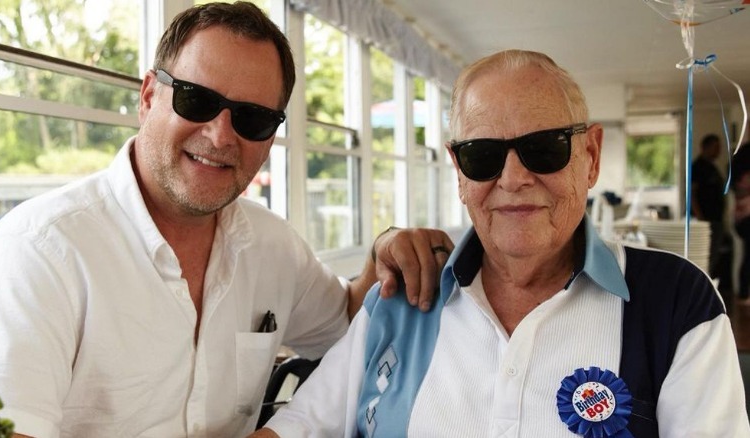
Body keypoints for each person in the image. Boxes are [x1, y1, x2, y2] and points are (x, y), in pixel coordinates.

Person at [0, 3, 453, 437]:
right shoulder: (39, 252)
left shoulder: (270, 245)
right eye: (196, 100)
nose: (221, 136)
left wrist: (384, 250)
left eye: (253, 118)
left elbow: (347, 319)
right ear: (147, 97)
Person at [251, 50, 750, 437]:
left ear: (591, 156)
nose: (513, 178)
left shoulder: (676, 303)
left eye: (543, 149)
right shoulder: (402, 299)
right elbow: (298, 426)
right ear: (459, 173)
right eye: (483, 155)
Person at [691, 133, 727, 279]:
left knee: (713, 256)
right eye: (715, 147)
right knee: (705, 256)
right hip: (705, 221)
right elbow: (692, 194)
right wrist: (700, 217)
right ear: (705, 148)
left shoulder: (712, 167)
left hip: (715, 218)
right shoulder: (698, 167)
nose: (719, 151)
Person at [732, 132, 750, 302]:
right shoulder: (743, 154)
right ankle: (744, 293)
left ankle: (744, 293)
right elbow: (736, 186)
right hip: (746, 215)